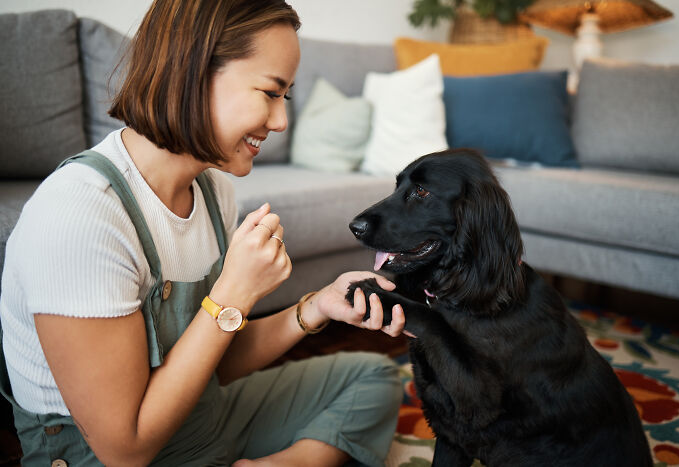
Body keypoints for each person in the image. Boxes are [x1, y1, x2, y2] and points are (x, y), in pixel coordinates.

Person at [0, 1, 407, 465]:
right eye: (271, 92)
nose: (280, 121)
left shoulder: (214, 192)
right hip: (119, 454)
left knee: (374, 376)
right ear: (193, 74)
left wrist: (315, 307)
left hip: (200, 418)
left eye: (285, 97)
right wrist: (235, 292)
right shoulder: (80, 217)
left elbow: (213, 361)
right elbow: (123, 449)